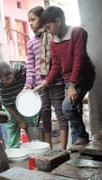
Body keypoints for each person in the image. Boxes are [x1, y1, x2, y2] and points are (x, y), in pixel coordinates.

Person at [34, 6, 96, 151]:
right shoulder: (54, 41)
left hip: (83, 76)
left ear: (58, 21)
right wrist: (45, 83)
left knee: (67, 107)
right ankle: (78, 148)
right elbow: (56, 66)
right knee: (75, 110)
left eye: (48, 27)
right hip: (70, 79)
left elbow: (78, 60)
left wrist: (73, 86)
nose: (48, 31)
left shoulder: (77, 33)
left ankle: (83, 136)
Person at [25, 6, 68, 150]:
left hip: (56, 82)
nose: (30, 23)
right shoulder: (31, 43)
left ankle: (62, 149)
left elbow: (59, 62)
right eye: (29, 21)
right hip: (39, 85)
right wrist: (27, 85)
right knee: (45, 115)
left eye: (33, 19)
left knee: (60, 113)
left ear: (42, 19)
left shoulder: (53, 37)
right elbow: (30, 67)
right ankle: (48, 149)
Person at [0, 61, 36, 148]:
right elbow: (8, 105)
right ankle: (13, 150)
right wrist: (19, 121)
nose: (9, 82)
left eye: (10, 78)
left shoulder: (21, 69)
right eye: (6, 80)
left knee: (30, 123)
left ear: (12, 72)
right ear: (0, 78)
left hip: (25, 102)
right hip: (10, 105)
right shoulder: (0, 83)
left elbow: (31, 79)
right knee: (12, 126)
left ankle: (34, 146)